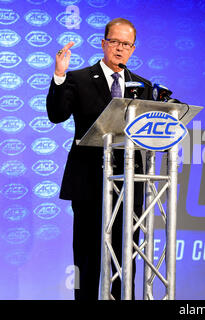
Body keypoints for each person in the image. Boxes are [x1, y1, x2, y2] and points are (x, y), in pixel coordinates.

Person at [46, 18, 152, 300]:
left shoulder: (142, 86)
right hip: (88, 181)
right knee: (86, 255)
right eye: (114, 42)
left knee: (125, 253)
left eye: (125, 44)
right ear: (103, 43)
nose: (119, 48)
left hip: (128, 182)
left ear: (133, 49)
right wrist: (59, 76)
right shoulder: (78, 78)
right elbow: (56, 115)